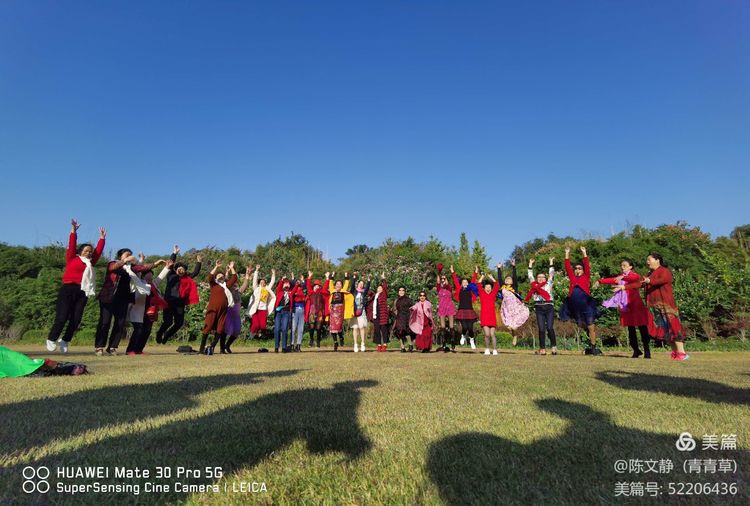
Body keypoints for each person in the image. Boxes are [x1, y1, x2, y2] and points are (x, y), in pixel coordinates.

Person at [47, 219, 106, 353]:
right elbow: (72, 244)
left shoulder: (90, 263)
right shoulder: (72, 258)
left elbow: (98, 252)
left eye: (90, 251)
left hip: (82, 291)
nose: (89, 253)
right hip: (68, 289)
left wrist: (102, 239)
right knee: (62, 317)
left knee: (76, 319)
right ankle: (51, 338)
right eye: (86, 251)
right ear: (80, 251)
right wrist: (73, 231)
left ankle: (65, 340)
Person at [625, 253, 688, 361]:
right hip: (656, 307)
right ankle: (675, 353)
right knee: (665, 330)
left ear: (657, 260)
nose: (647, 262)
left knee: (673, 327)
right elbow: (640, 283)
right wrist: (624, 287)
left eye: (649, 259)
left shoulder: (664, 271)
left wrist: (649, 281)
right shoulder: (650, 273)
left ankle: (682, 353)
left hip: (666, 305)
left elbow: (662, 280)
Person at [95, 248, 155, 356]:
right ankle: (99, 346)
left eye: (130, 255)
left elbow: (143, 268)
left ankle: (112, 347)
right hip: (108, 297)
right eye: (127, 254)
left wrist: (157, 263)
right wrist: (125, 260)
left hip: (123, 299)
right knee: (105, 322)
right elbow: (113, 268)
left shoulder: (131, 268)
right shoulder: (112, 263)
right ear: (120, 256)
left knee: (119, 323)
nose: (130, 256)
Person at [595, 259, 653, 358]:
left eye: (625, 265)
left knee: (642, 327)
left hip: (636, 304)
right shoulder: (621, 277)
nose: (622, 267)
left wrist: (622, 280)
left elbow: (634, 279)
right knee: (630, 329)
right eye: (621, 265)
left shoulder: (634, 275)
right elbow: (613, 280)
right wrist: (600, 281)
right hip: (626, 306)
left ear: (631, 267)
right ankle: (636, 350)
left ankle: (647, 351)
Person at [155, 245, 202, 344]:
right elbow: (170, 264)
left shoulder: (187, 277)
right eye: (179, 268)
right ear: (175, 270)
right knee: (168, 322)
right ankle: (159, 333)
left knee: (179, 323)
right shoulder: (171, 275)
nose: (181, 270)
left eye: (183, 269)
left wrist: (199, 262)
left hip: (180, 303)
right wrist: (174, 253)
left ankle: (167, 335)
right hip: (169, 302)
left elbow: (195, 272)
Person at [560, 247, 601, 355]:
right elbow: (567, 267)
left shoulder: (586, 276)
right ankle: (589, 339)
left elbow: (587, 265)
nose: (577, 270)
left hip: (586, 304)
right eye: (576, 268)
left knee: (591, 326)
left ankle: (593, 348)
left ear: (583, 270)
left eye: (580, 268)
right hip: (575, 306)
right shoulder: (572, 277)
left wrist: (584, 253)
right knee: (581, 325)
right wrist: (567, 253)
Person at [125, 254, 168, 355]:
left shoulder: (153, 284)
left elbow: (161, 277)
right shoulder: (138, 283)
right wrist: (141, 260)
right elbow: (136, 272)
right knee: (138, 330)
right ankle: (130, 350)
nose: (150, 278)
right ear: (143, 276)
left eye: (151, 276)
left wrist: (167, 267)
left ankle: (139, 350)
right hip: (138, 311)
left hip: (150, 312)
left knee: (147, 330)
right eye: (148, 275)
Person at [201, 260, 237, 354]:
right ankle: (201, 349)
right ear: (216, 278)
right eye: (218, 275)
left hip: (223, 311)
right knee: (208, 327)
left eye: (222, 275)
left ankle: (212, 346)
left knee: (220, 329)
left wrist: (232, 268)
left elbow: (234, 278)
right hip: (213, 309)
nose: (221, 276)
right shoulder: (214, 284)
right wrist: (216, 267)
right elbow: (210, 276)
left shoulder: (226, 285)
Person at [525, 257, 557, 355]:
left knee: (550, 328)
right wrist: (530, 264)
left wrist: (551, 262)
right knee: (541, 329)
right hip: (539, 308)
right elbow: (530, 275)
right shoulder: (534, 285)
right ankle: (542, 348)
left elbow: (551, 273)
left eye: (542, 277)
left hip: (549, 307)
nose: (540, 278)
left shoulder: (549, 283)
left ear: (545, 278)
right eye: (539, 277)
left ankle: (554, 346)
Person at [497, 259, 529, 347]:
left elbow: (515, 277)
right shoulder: (503, 287)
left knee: (514, 326)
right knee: (509, 326)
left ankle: (515, 336)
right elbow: (499, 279)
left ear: (512, 281)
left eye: (509, 279)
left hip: (515, 308)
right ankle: (514, 335)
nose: (508, 279)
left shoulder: (514, 287)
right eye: (506, 279)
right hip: (506, 308)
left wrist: (514, 266)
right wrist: (499, 269)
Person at [223, 264, 251, 354]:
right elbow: (226, 281)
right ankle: (222, 347)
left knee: (236, 331)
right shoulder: (228, 290)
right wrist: (227, 272)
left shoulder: (238, 292)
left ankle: (227, 345)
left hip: (236, 315)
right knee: (225, 330)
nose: (235, 285)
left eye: (235, 284)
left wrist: (247, 274)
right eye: (233, 284)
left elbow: (245, 285)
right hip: (229, 312)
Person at [451, 265, 479, 349]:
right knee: (465, 327)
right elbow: (455, 280)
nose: (465, 283)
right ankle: (463, 336)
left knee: (470, 328)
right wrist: (452, 272)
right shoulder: (459, 289)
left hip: (470, 310)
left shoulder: (470, 289)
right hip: (462, 310)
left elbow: (473, 281)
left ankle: (471, 339)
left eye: (466, 282)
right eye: (463, 282)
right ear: (461, 284)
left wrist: (476, 272)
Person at [477, 268, 501, 356]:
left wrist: (492, 278)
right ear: (484, 288)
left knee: (492, 334)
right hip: (484, 317)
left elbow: (497, 285)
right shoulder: (482, 294)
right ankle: (487, 349)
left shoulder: (493, 294)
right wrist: (482, 276)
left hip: (492, 317)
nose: (488, 288)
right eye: (487, 287)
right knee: (487, 334)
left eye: (490, 287)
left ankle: (494, 350)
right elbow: (478, 284)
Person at [247, 265, 276, 339]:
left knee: (263, 326)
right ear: (259, 283)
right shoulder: (256, 288)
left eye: (264, 282)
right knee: (256, 324)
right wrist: (256, 270)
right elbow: (254, 280)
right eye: (261, 282)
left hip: (263, 310)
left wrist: (273, 274)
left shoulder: (267, 289)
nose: (263, 283)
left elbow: (272, 282)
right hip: (255, 309)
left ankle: (259, 335)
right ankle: (251, 336)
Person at [435, 263, 458, 351]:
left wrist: (445, 277)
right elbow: (438, 280)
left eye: (444, 279)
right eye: (442, 279)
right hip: (442, 307)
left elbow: (447, 283)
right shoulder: (439, 288)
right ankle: (444, 342)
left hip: (450, 307)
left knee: (451, 326)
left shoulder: (449, 288)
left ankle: (452, 340)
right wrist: (439, 272)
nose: (442, 280)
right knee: (443, 327)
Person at [327, 272, 352, 351]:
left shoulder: (343, 291)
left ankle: (341, 337)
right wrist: (332, 276)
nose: (338, 285)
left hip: (340, 311)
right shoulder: (332, 291)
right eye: (337, 284)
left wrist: (346, 277)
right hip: (333, 311)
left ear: (341, 286)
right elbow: (330, 284)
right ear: (335, 285)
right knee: (332, 328)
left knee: (338, 327)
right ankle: (335, 342)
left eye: (340, 284)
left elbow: (346, 284)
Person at [305, 271, 330, 348]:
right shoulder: (311, 292)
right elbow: (308, 285)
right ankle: (311, 340)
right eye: (315, 285)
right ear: (313, 286)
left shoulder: (322, 292)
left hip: (319, 312)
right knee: (311, 327)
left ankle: (318, 341)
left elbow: (325, 287)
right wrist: (309, 277)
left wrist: (327, 278)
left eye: (318, 285)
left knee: (319, 328)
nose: (317, 286)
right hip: (312, 312)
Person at [273, 275, 295, 353]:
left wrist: (293, 280)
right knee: (277, 329)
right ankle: (276, 347)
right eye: (285, 283)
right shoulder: (279, 292)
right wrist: (282, 280)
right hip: (278, 312)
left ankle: (284, 347)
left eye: (288, 284)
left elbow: (295, 287)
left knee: (285, 329)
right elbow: (279, 287)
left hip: (286, 312)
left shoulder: (290, 293)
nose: (286, 285)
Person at [350, 273, 371, 352]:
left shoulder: (364, 292)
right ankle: (355, 344)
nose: (361, 285)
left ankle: (363, 343)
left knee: (362, 327)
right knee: (355, 328)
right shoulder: (354, 291)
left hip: (362, 311)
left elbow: (367, 288)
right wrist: (354, 277)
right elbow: (352, 286)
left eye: (362, 284)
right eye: (360, 283)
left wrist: (369, 280)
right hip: (354, 311)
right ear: (357, 284)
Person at [370, 273, 389, 352]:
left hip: (382, 315)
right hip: (376, 315)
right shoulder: (375, 296)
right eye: (378, 288)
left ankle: (384, 345)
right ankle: (379, 345)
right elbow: (368, 292)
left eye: (380, 288)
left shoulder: (383, 294)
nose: (379, 289)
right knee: (377, 330)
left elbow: (385, 287)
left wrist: (383, 279)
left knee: (384, 330)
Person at [392, 286, 414, 352]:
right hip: (399, 317)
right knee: (399, 332)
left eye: (403, 290)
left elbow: (412, 308)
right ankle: (402, 347)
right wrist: (395, 314)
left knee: (407, 332)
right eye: (400, 290)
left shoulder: (408, 299)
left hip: (407, 317)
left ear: (405, 291)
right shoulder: (396, 300)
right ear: (398, 292)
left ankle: (410, 345)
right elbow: (394, 309)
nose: (401, 292)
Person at [289, 273, 307, 352]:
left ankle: (298, 345)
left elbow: (306, 286)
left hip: (302, 310)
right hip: (295, 309)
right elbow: (292, 292)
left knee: (301, 329)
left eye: (300, 282)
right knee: (293, 329)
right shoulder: (294, 289)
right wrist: (293, 278)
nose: (299, 282)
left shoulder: (303, 289)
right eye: (297, 282)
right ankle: (292, 345)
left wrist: (303, 280)